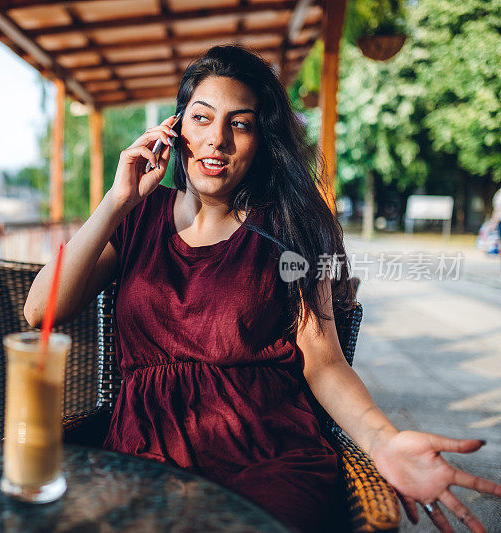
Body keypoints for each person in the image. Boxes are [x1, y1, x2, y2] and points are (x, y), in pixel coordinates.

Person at [25, 45, 501, 532]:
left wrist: (383, 441)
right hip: (143, 452)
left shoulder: (293, 223)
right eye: (202, 118)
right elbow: (40, 311)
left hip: (266, 453)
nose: (217, 140)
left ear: (261, 140)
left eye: (240, 124)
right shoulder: (135, 218)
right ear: (175, 127)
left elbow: (324, 361)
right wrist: (116, 200)